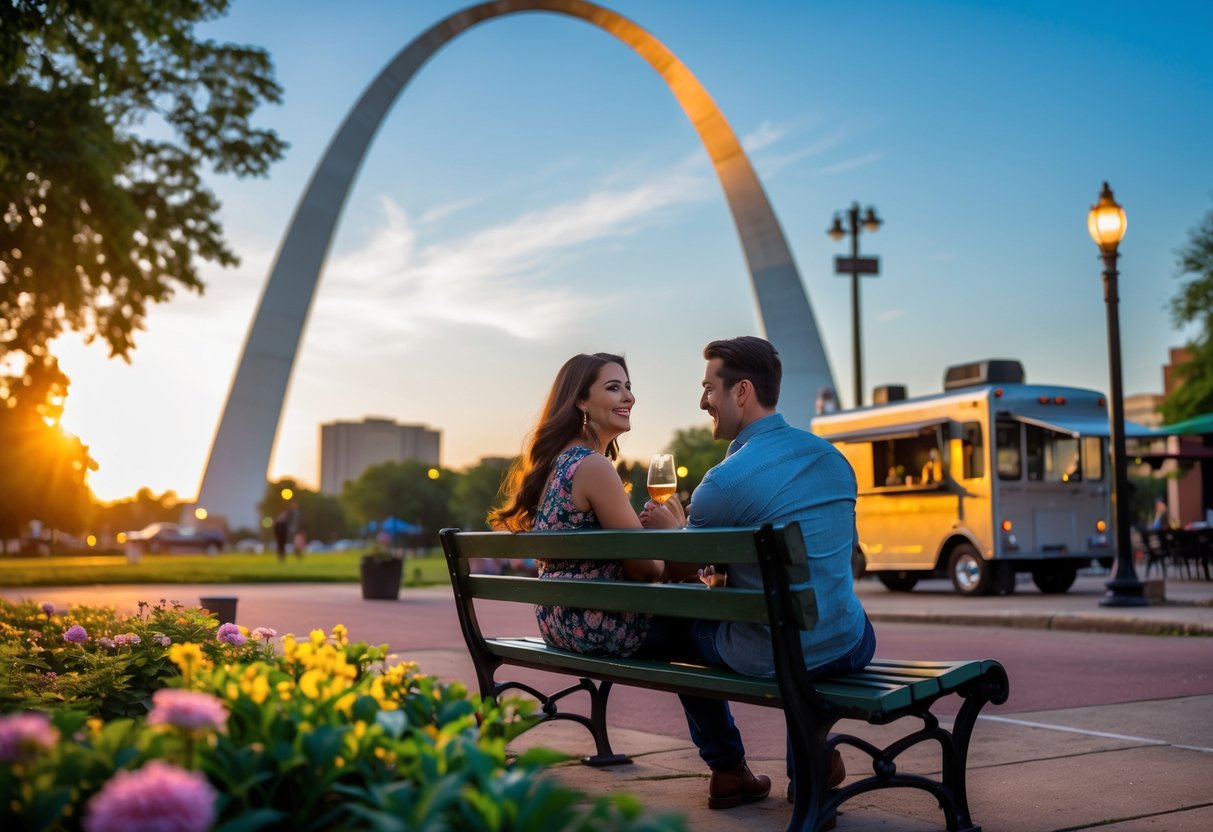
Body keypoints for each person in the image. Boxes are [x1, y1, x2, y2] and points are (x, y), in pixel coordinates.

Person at [641, 336, 875, 811]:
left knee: (685, 627)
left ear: (741, 391)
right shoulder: (836, 460)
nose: (702, 400)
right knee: (802, 625)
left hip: (769, 653)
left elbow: (679, 570)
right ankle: (812, 763)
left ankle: (727, 768)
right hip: (849, 642)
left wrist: (677, 529)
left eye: (709, 388)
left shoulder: (722, 484)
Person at [489, 352, 682, 657]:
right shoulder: (592, 466)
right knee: (709, 629)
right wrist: (672, 533)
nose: (629, 397)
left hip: (558, 624)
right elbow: (646, 569)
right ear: (581, 400)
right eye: (613, 387)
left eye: (628, 387)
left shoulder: (555, 463)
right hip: (604, 627)